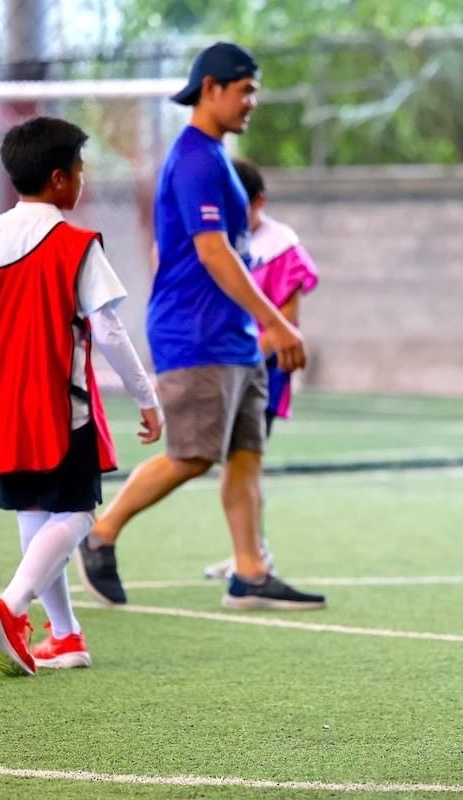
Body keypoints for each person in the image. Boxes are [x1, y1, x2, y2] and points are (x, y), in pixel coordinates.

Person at [74, 42, 326, 611]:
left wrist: (255, 326)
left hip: (232, 336)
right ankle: (100, 532)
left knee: (244, 455)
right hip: (194, 333)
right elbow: (214, 253)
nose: (252, 103)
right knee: (191, 455)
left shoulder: (215, 157)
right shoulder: (192, 158)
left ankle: (250, 573)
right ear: (211, 87)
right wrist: (277, 325)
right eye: (245, 91)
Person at [0, 116, 162, 676]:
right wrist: (147, 397)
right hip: (59, 405)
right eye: (79, 169)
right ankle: (10, 606)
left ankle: (66, 636)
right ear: (58, 179)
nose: (83, 179)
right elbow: (112, 331)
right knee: (76, 512)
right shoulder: (75, 245)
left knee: (33, 507)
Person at [200, 158, 320, 580]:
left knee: (243, 466)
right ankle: (249, 551)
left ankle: (253, 553)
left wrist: (240, 357)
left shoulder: (280, 246)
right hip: (226, 369)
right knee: (238, 467)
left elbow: (284, 325)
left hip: (259, 375)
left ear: (258, 202)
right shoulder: (220, 241)